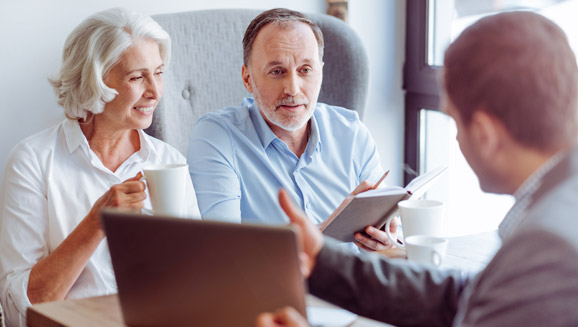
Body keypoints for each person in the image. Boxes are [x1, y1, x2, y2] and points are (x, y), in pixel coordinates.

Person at [256, 11, 578, 326]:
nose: (454, 136)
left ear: (485, 134)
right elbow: (466, 297)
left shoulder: (546, 247)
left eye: (453, 120)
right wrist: (324, 261)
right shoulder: (561, 205)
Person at [0, 8, 200, 327]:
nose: (156, 91)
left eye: (159, 72)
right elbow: (19, 313)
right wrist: (96, 222)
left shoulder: (169, 162)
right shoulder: (33, 161)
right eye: (137, 77)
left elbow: (198, 282)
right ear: (95, 80)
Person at [187, 8, 397, 251]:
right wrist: (334, 228)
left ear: (320, 72)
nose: (293, 89)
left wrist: (385, 237)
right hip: (270, 288)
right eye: (277, 72)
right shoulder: (216, 136)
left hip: (354, 285)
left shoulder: (351, 132)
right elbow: (223, 250)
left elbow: (390, 238)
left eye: (305, 70)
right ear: (247, 79)